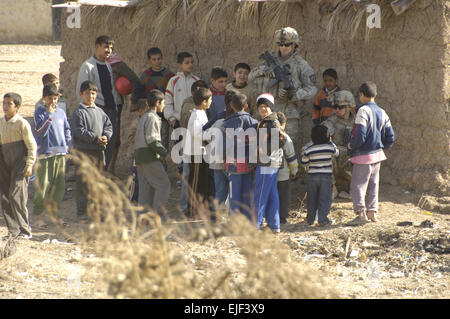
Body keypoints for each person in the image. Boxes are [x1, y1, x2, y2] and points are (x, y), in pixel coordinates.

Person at [249, 27, 317, 154]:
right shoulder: (270, 62)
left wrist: (295, 95)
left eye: (287, 44)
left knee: (287, 150)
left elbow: (312, 88)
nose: (284, 47)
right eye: (281, 44)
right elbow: (250, 77)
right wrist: (263, 71)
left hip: (289, 115)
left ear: (294, 45)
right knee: (266, 150)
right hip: (268, 114)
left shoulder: (300, 65)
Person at [348, 82, 394, 225]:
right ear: (375, 95)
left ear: (361, 95)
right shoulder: (382, 112)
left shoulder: (362, 111)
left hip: (363, 155)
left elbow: (360, 134)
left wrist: (352, 146)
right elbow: (390, 136)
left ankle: (361, 214)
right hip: (377, 155)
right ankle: (372, 213)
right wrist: (382, 147)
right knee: (374, 184)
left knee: (358, 185)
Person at [76, 35, 121, 172]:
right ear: (97, 47)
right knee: (96, 146)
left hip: (110, 110)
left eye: (111, 48)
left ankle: (102, 176)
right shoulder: (88, 66)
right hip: (96, 111)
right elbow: (81, 91)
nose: (109, 50)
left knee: (109, 144)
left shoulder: (107, 66)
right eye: (106, 47)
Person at [70, 81, 113, 222]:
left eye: (93, 93)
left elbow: (108, 126)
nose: (91, 96)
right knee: (83, 184)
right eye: (87, 93)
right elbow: (79, 131)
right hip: (84, 153)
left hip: (99, 153)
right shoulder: (78, 113)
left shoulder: (100, 112)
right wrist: (96, 138)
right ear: (81, 94)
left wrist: (106, 136)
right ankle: (82, 213)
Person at [32, 84, 71, 228]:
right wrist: (49, 115)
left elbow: (67, 128)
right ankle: (37, 216)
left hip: (60, 153)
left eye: (55, 99)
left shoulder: (61, 112)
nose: (53, 102)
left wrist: (68, 145)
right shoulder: (39, 112)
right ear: (44, 99)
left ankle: (56, 216)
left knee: (58, 187)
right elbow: (39, 132)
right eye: (50, 98)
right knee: (43, 186)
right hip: (45, 155)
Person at [0, 92, 37, 239]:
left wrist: (29, 164)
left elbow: (31, 145)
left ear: (17, 107)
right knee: (5, 196)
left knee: (17, 195)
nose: (5, 106)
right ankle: (13, 230)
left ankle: (25, 230)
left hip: (20, 163)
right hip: (4, 162)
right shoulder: (1, 122)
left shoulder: (22, 123)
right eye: (4, 103)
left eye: (9, 104)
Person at [134, 90, 171, 220]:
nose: (164, 106)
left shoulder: (144, 117)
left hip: (140, 157)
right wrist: (165, 154)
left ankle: (144, 220)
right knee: (163, 184)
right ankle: (158, 217)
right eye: (163, 103)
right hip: (149, 157)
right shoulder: (153, 118)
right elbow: (152, 140)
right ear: (157, 103)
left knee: (146, 189)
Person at [106, 50, 144, 174]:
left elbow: (134, 79)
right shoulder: (94, 63)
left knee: (114, 137)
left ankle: (110, 169)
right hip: (99, 104)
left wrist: (133, 101)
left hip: (115, 104)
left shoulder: (116, 63)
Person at [223, 92, 258, 221]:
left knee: (234, 193)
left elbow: (224, 145)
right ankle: (248, 220)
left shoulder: (227, 124)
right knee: (247, 192)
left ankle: (235, 222)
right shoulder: (254, 122)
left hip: (233, 164)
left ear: (231, 106)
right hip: (249, 163)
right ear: (246, 106)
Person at [253, 94, 286, 233]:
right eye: (260, 107)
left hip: (267, 162)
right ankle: (274, 225)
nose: (262, 109)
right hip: (272, 163)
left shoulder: (272, 122)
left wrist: (262, 150)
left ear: (270, 107)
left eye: (265, 106)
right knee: (272, 193)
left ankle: (256, 225)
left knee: (260, 194)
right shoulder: (266, 121)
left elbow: (281, 139)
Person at [300, 125, 339, 226]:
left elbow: (304, 162)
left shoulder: (309, 149)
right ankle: (322, 220)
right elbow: (337, 153)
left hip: (312, 177)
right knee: (324, 198)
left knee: (312, 198)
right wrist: (331, 141)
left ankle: (310, 219)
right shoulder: (330, 147)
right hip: (326, 177)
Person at [138, 47, 175, 149]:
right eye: (154, 59)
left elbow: (173, 93)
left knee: (163, 138)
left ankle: (162, 164)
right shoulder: (145, 75)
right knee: (149, 137)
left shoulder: (169, 75)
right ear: (149, 60)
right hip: (149, 113)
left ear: (162, 58)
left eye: (159, 59)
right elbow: (139, 92)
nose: (157, 61)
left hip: (164, 113)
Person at [322, 90, 356, 198]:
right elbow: (322, 134)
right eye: (335, 107)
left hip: (353, 158)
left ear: (348, 107)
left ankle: (354, 189)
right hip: (339, 157)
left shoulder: (357, 121)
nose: (336, 110)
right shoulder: (332, 121)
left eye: (340, 107)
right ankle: (332, 189)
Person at [185, 87, 212, 218]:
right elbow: (197, 133)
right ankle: (191, 210)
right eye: (210, 99)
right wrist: (211, 135)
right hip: (195, 153)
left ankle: (199, 209)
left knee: (202, 183)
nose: (211, 102)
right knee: (195, 182)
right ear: (204, 102)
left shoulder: (201, 113)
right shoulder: (196, 115)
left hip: (201, 153)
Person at [164, 51, 200, 140]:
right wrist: (172, 120)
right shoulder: (173, 81)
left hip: (194, 123)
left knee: (194, 150)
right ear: (180, 65)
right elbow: (168, 101)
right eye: (187, 63)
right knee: (180, 150)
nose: (190, 65)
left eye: (192, 62)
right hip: (179, 122)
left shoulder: (197, 81)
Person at [276, 112, 299, 225]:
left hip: (268, 172)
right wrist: (294, 171)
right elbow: (291, 157)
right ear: (283, 124)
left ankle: (271, 216)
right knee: (283, 196)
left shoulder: (265, 134)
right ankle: (282, 217)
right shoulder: (285, 137)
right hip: (283, 174)